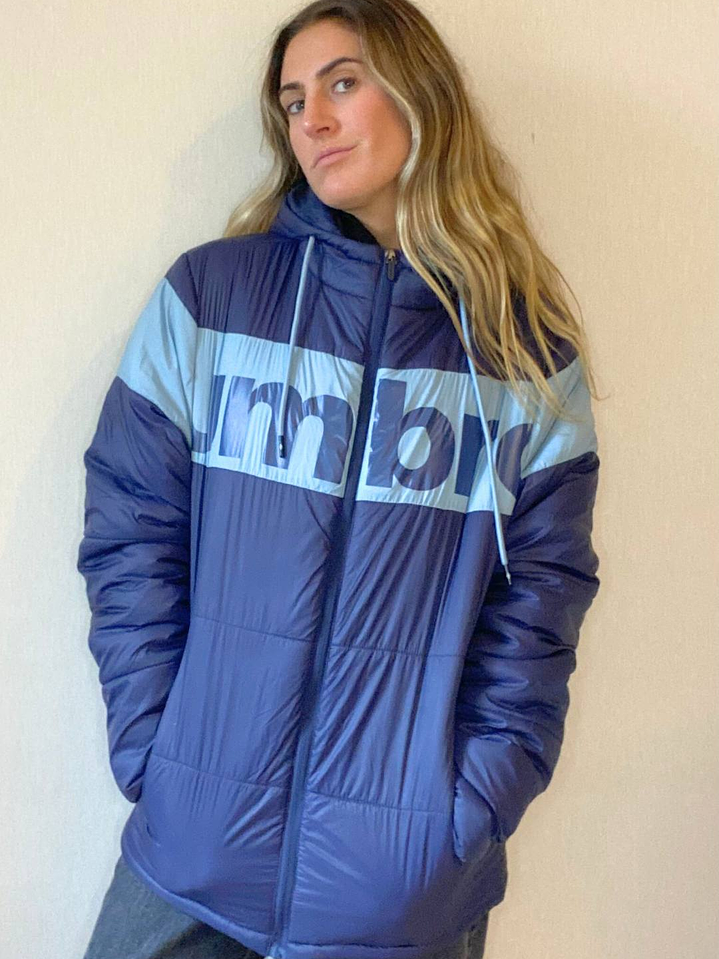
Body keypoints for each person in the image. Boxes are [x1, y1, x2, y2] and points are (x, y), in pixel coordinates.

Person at [77, 1, 601, 957]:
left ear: (420, 93)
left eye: (342, 83)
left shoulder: (523, 355)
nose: (311, 119)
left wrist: (471, 806)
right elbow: (129, 529)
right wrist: (158, 754)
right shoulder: (210, 300)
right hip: (188, 862)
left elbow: (543, 594)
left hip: (400, 895)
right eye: (292, 100)